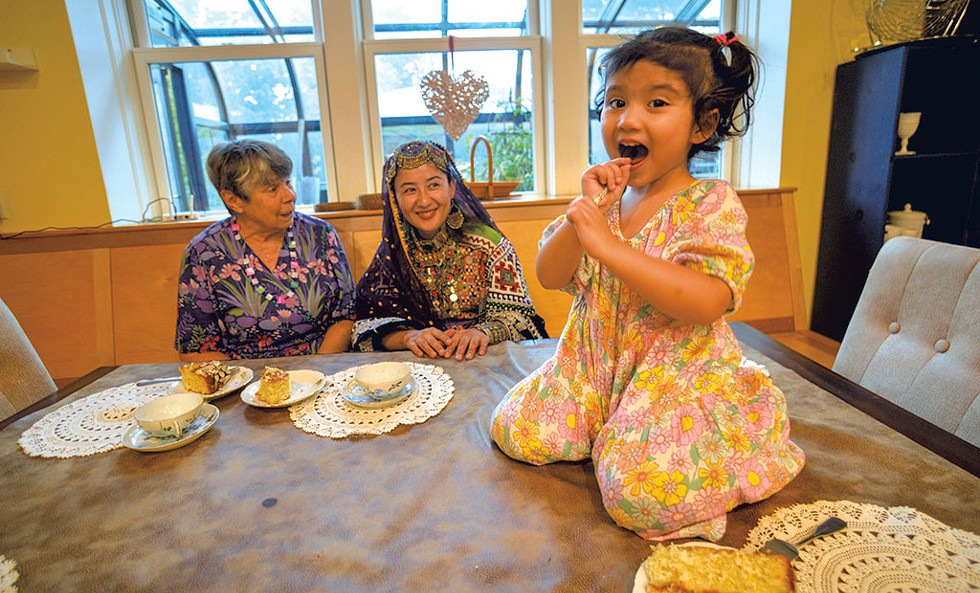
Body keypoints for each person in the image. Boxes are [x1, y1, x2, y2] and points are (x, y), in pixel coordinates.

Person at [490, 28, 805, 541]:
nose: (628, 118)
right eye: (615, 102)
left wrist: (611, 248)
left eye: (656, 102)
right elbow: (549, 276)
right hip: (592, 369)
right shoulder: (606, 199)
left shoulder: (709, 202)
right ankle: (608, 426)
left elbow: (707, 302)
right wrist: (584, 218)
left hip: (673, 376)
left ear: (702, 124)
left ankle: (739, 437)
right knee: (515, 428)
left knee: (638, 494)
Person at [352, 140, 547, 360]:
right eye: (409, 190)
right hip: (421, 372)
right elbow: (365, 327)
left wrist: (482, 333)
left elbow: (520, 319)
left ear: (451, 187)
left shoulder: (489, 245)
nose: (424, 200)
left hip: (484, 364)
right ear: (394, 198)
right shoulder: (393, 255)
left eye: (434, 185)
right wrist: (409, 337)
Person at [175, 140, 355, 360]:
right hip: (245, 380)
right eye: (273, 189)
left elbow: (346, 316)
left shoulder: (320, 235)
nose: (290, 195)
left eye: (288, 182)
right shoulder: (204, 253)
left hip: (322, 368)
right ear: (233, 200)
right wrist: (255, 388)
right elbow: (197, 348)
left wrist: (317, 370)